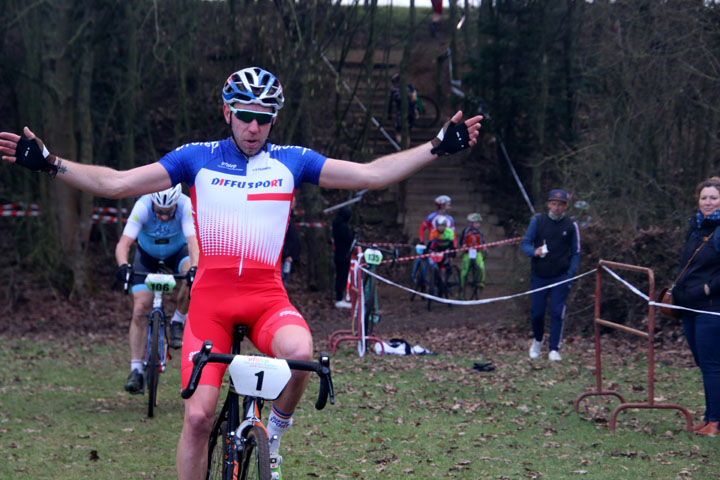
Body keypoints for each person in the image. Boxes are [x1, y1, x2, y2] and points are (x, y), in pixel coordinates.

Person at [0, 66, 482, 480]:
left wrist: (437, 147)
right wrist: (51, 163)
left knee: (302, 354)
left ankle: (273, 434)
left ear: (274, 119)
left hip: (266, 297)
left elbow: (372, 174)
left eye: (263, 118)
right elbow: (119, 183)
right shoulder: (197, 157)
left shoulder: (293, 162)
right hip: (210, 302)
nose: (254, 127)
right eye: (245, 115)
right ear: (226, 111)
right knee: (198, 417)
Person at [115, 185, 199, 394]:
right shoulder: (142, 206)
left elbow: (192, 242)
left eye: (168, 212)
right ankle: (136, 370)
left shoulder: (184, 205)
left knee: (193, 279)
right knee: (139, 310)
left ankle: (179, 320)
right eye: (159, 211)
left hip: (177, 252)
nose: (163, 216)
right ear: (152, 204)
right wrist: (123, 266)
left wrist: (195, 268)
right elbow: (124, 243)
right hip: (147, 256)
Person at [671, 176, 720, 436]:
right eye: (704, 197)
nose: (708, 202)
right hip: (689, 306)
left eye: (713, 197)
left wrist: (707, 288)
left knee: (712, 365)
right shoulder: (697, 227)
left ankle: (716, 422)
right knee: (705, 363)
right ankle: (710, 416)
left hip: (711, 307)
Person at [521, 189, 580, 362]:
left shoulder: (571, 225)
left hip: (561, 276)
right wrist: (534, 251)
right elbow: (525, 244)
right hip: (539, 275)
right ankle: (538, 341)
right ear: (548, 204)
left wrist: (571, 273)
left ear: (565, 206)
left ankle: (554, 348)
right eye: (554, 204)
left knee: (556, 312)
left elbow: (576, 252)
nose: (556, 207)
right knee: (537, 313)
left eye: (560, 204)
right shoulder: (537, 221)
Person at [332, 206, 355, 309]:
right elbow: (348, 239)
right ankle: (340, 298)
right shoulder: (343, 227)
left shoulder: (336, 225)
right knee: (342, 277)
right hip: (344, 255)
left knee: (340, 277)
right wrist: (353, 234)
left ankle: (340, 297)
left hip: (339, 254)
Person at [387, 73, 418, 144]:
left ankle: (403, 145)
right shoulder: (408, 88)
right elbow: (414, 99)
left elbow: (414, 99)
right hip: (407, 111)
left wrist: (389, 114)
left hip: (406, 112)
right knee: (404, 129)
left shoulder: (397, 90)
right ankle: (404, 145)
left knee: (401, 129)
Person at [459, 212, 486, 291]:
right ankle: (461, 286)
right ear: (471, 223)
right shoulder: (466, 231)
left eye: (479, 223)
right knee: (464, 271)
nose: (478, 225)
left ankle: (481, 282)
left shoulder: (480, 233)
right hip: (468, 252)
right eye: (476, 223)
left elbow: (482, 243)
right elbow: (461, 241)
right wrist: (463, 245)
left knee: (481, 267)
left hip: (477, 252)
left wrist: (484, 248)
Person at [281, 197, 300, 287]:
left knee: (285, 279)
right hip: (284, 258)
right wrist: (286, 254)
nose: (295, 204)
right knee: (282, 281)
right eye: (293, 202)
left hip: (288, 258)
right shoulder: (283, 218)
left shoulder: (290, 218)